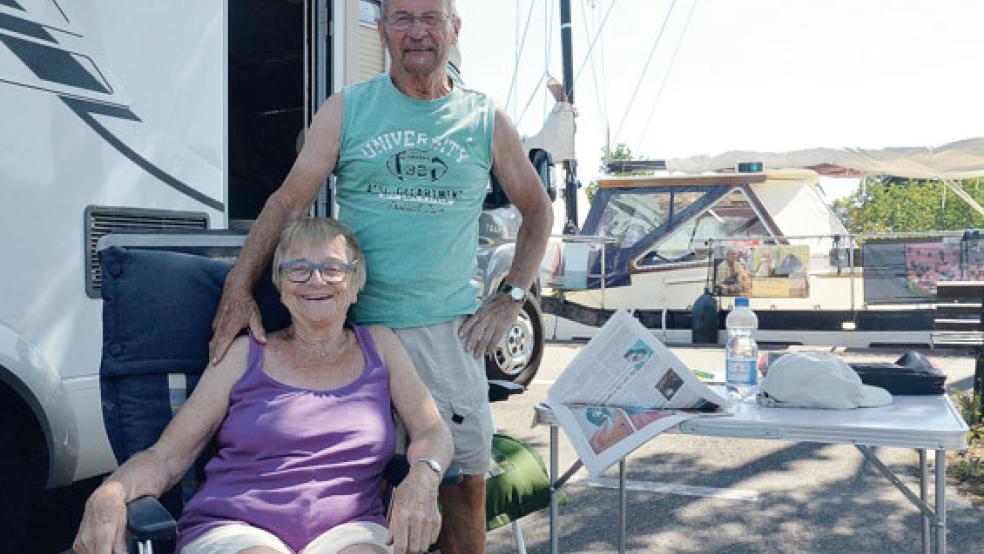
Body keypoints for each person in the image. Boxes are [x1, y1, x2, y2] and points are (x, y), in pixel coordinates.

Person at [207, 1, 553, 552]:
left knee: (462, 487)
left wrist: (511, 296)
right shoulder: (347, 108)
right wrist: (237, 287)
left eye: (430, 18)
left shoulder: (484, 117)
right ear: (383, 30)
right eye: (402, 18)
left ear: (454, 29)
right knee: (360, 488)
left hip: (446, 333)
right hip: (356, 332)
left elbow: (537, 210)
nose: (417, 32)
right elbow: (288, 202)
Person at [74, 218, 453, 554]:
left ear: (355, 284)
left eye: (332, 269)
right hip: (237, 529)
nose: (316, 280)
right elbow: (166, 457)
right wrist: (111, 493)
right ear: (281, 286)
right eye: (298, 269)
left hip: (351, 530)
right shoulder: (245, 354)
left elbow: (431, 429)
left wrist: (424, 475)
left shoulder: (381, 346)